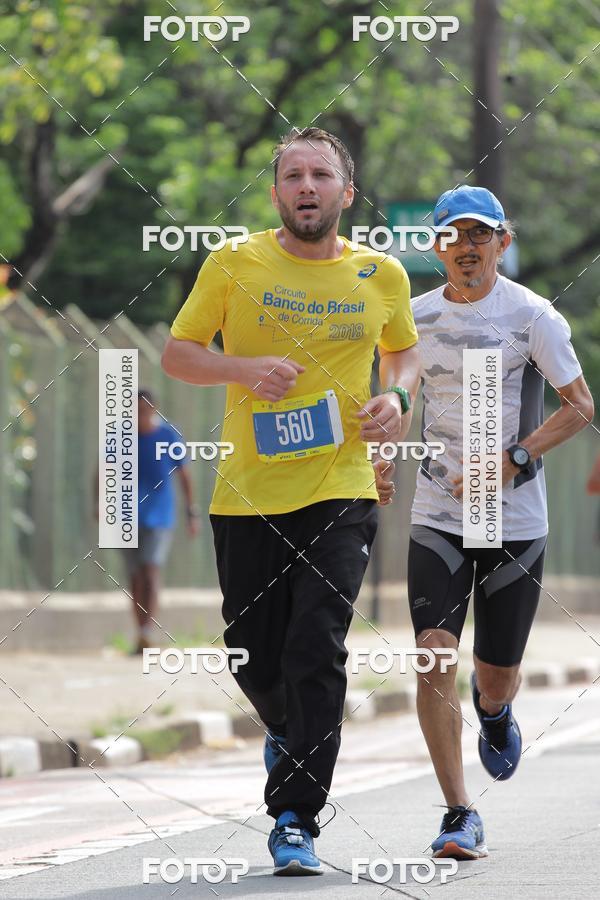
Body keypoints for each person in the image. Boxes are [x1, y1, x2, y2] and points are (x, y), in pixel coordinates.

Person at [161, 126, 420, 876]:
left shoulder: (382, 274)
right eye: (294, 176)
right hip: (247, 492)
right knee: (254, 657)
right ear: (276, 193)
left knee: (318, 645)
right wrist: (243, 369)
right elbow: (180, 354)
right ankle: (282, 725)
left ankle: (295, 815)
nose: (308, 186)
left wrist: (396, 397)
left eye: (322, 175)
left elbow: (402, 351)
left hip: (343, 485)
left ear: (347, 192)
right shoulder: (235, 262)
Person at [377, 185, 594, 860]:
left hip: (514, 516)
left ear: (503, 241)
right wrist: (382, 459)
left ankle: (494, 710)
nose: (466, 248)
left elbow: (580, 405)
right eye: (453, 236)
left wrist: (515, 457)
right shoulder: (411, 319)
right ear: (436, 245)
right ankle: (457, 812)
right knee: (433, 651)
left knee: (495, 673)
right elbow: (396, 397)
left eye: (480, 235)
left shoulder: (534, 317)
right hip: (439, 511)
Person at [123, 389, 200, 653]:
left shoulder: (168, 435)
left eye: (145, 411)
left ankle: (147, 630)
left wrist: (192, 512)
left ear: (154, 410)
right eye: (135, 412)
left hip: (160, 515)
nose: (140, 417)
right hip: (128, 516)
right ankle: (140, 633)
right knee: (135, 576)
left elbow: (185, 475)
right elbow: (104, 471)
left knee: (151, 569)